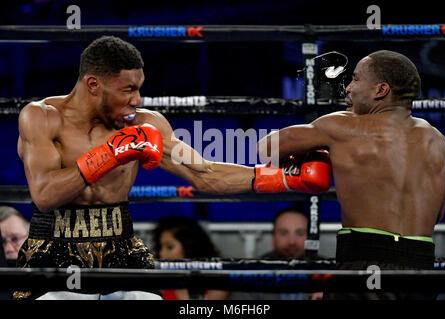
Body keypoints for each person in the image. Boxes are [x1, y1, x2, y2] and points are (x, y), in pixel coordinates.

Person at [16, 36, 333, 300]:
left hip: (121, 251)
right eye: (128, 90)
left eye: (139, 88)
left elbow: (204, 173)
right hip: (55, 251)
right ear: (94, 84)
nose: (137, 99)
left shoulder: (144, 123)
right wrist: (111, 154)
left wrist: (286, 178)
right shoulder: (42, 117)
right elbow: (44, 195)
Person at [256, 50, 445, 299]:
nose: (348, 88)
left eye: (356, 79)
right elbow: (439, 212)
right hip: (421, 269)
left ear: (380, 90)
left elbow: (266, 147)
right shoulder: (436, 139)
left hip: (364, 263)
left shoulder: (344, 125)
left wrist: (319, 157)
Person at [229, 205, 322, 300]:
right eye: (283, 233)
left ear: (311, 237)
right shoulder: (252, 271)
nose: (292, 242)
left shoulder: (329, 271)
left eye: (300, 233)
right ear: (273, 237)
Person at [152, 216, 228, 300]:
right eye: (160, 247)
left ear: (189, 247)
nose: (161, 253)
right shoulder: (160, 284)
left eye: (170, 247)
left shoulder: (218, 285)